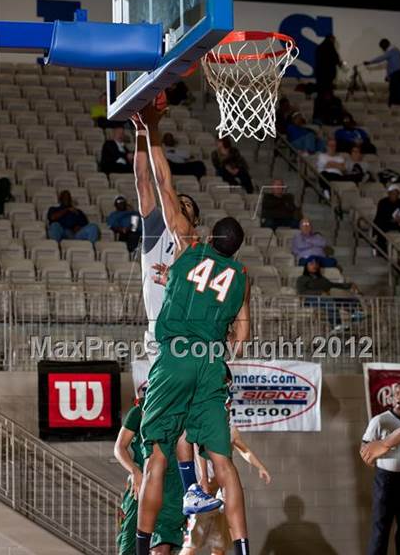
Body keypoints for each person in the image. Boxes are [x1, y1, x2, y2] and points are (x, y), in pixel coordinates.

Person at [134, 103, 251, 555]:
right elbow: (241, 335)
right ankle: (236, 541)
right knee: (223, 462)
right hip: (211, 363)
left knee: (156, 455)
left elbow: (163, 185)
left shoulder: (186, 248)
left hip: (175, 354)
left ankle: (148, 541)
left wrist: (152, 131)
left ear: (203, 232)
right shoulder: (241, 277)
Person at [131, 108, 221, 516]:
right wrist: (142, 134)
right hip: (161, 336)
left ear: (192, 219)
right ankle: (179, 491)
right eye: (175, 202)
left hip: (188, 341)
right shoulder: (155, 229)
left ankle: (191, 487)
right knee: (161, 437)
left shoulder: (196, 251)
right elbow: (146, 181)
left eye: (183, 205)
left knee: (178, 426)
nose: (175, 205)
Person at [181, 368, 271, 555]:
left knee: (219, 547)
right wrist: (204, 479)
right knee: (190, 547)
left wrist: (260, 467)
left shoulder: (229, 427)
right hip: (205, 494)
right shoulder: (204, 417)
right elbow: (198, 449)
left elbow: (244, 450)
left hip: (222, 495)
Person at [114, 398, 185, 555]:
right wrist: (134, 471)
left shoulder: (185, 407)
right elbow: (119, 447)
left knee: (162, 547)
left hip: (173, 486)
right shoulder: (140, 410)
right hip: (143, 481)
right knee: (129, 547)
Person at [361, 359, 400, 555]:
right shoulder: (380, 420)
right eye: (396, 393)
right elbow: (365, 446)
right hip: (386, 478)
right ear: (391, 398)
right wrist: (368, 456)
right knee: (380, 526)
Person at [296, 257, 362, 330]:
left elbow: (332, 285)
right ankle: (336, 325)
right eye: (311, 264)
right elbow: (302, 292)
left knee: (351, 300)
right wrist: (319, 292)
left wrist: (349, 285)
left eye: (316, 264)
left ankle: (356, 315)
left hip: (324, 299)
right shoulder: (302, 279)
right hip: (309, 300)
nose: (314, 266)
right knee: (328, 301)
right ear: (306, 266)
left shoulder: (321, 279)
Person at [364, 39, 400, 106]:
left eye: (382, 47)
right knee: (399, 95)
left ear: (385, 45)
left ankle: (393, 110)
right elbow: (391, 65)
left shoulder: (392, 51)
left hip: (397, 75)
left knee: (393, 95)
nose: (382, 49)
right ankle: (398, 110)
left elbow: (381, 58)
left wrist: (370, 62)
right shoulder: (397, 52)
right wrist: (388, 76)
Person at [373, 184, 400, 255]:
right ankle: (383, 251)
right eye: (392, 194)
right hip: (386, 222)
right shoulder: (383, 202)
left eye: (396, 194)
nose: (394, 195)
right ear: (389, 194)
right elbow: (380, 216)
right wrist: (391, 220)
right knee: (380, 226)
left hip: (399, 223)